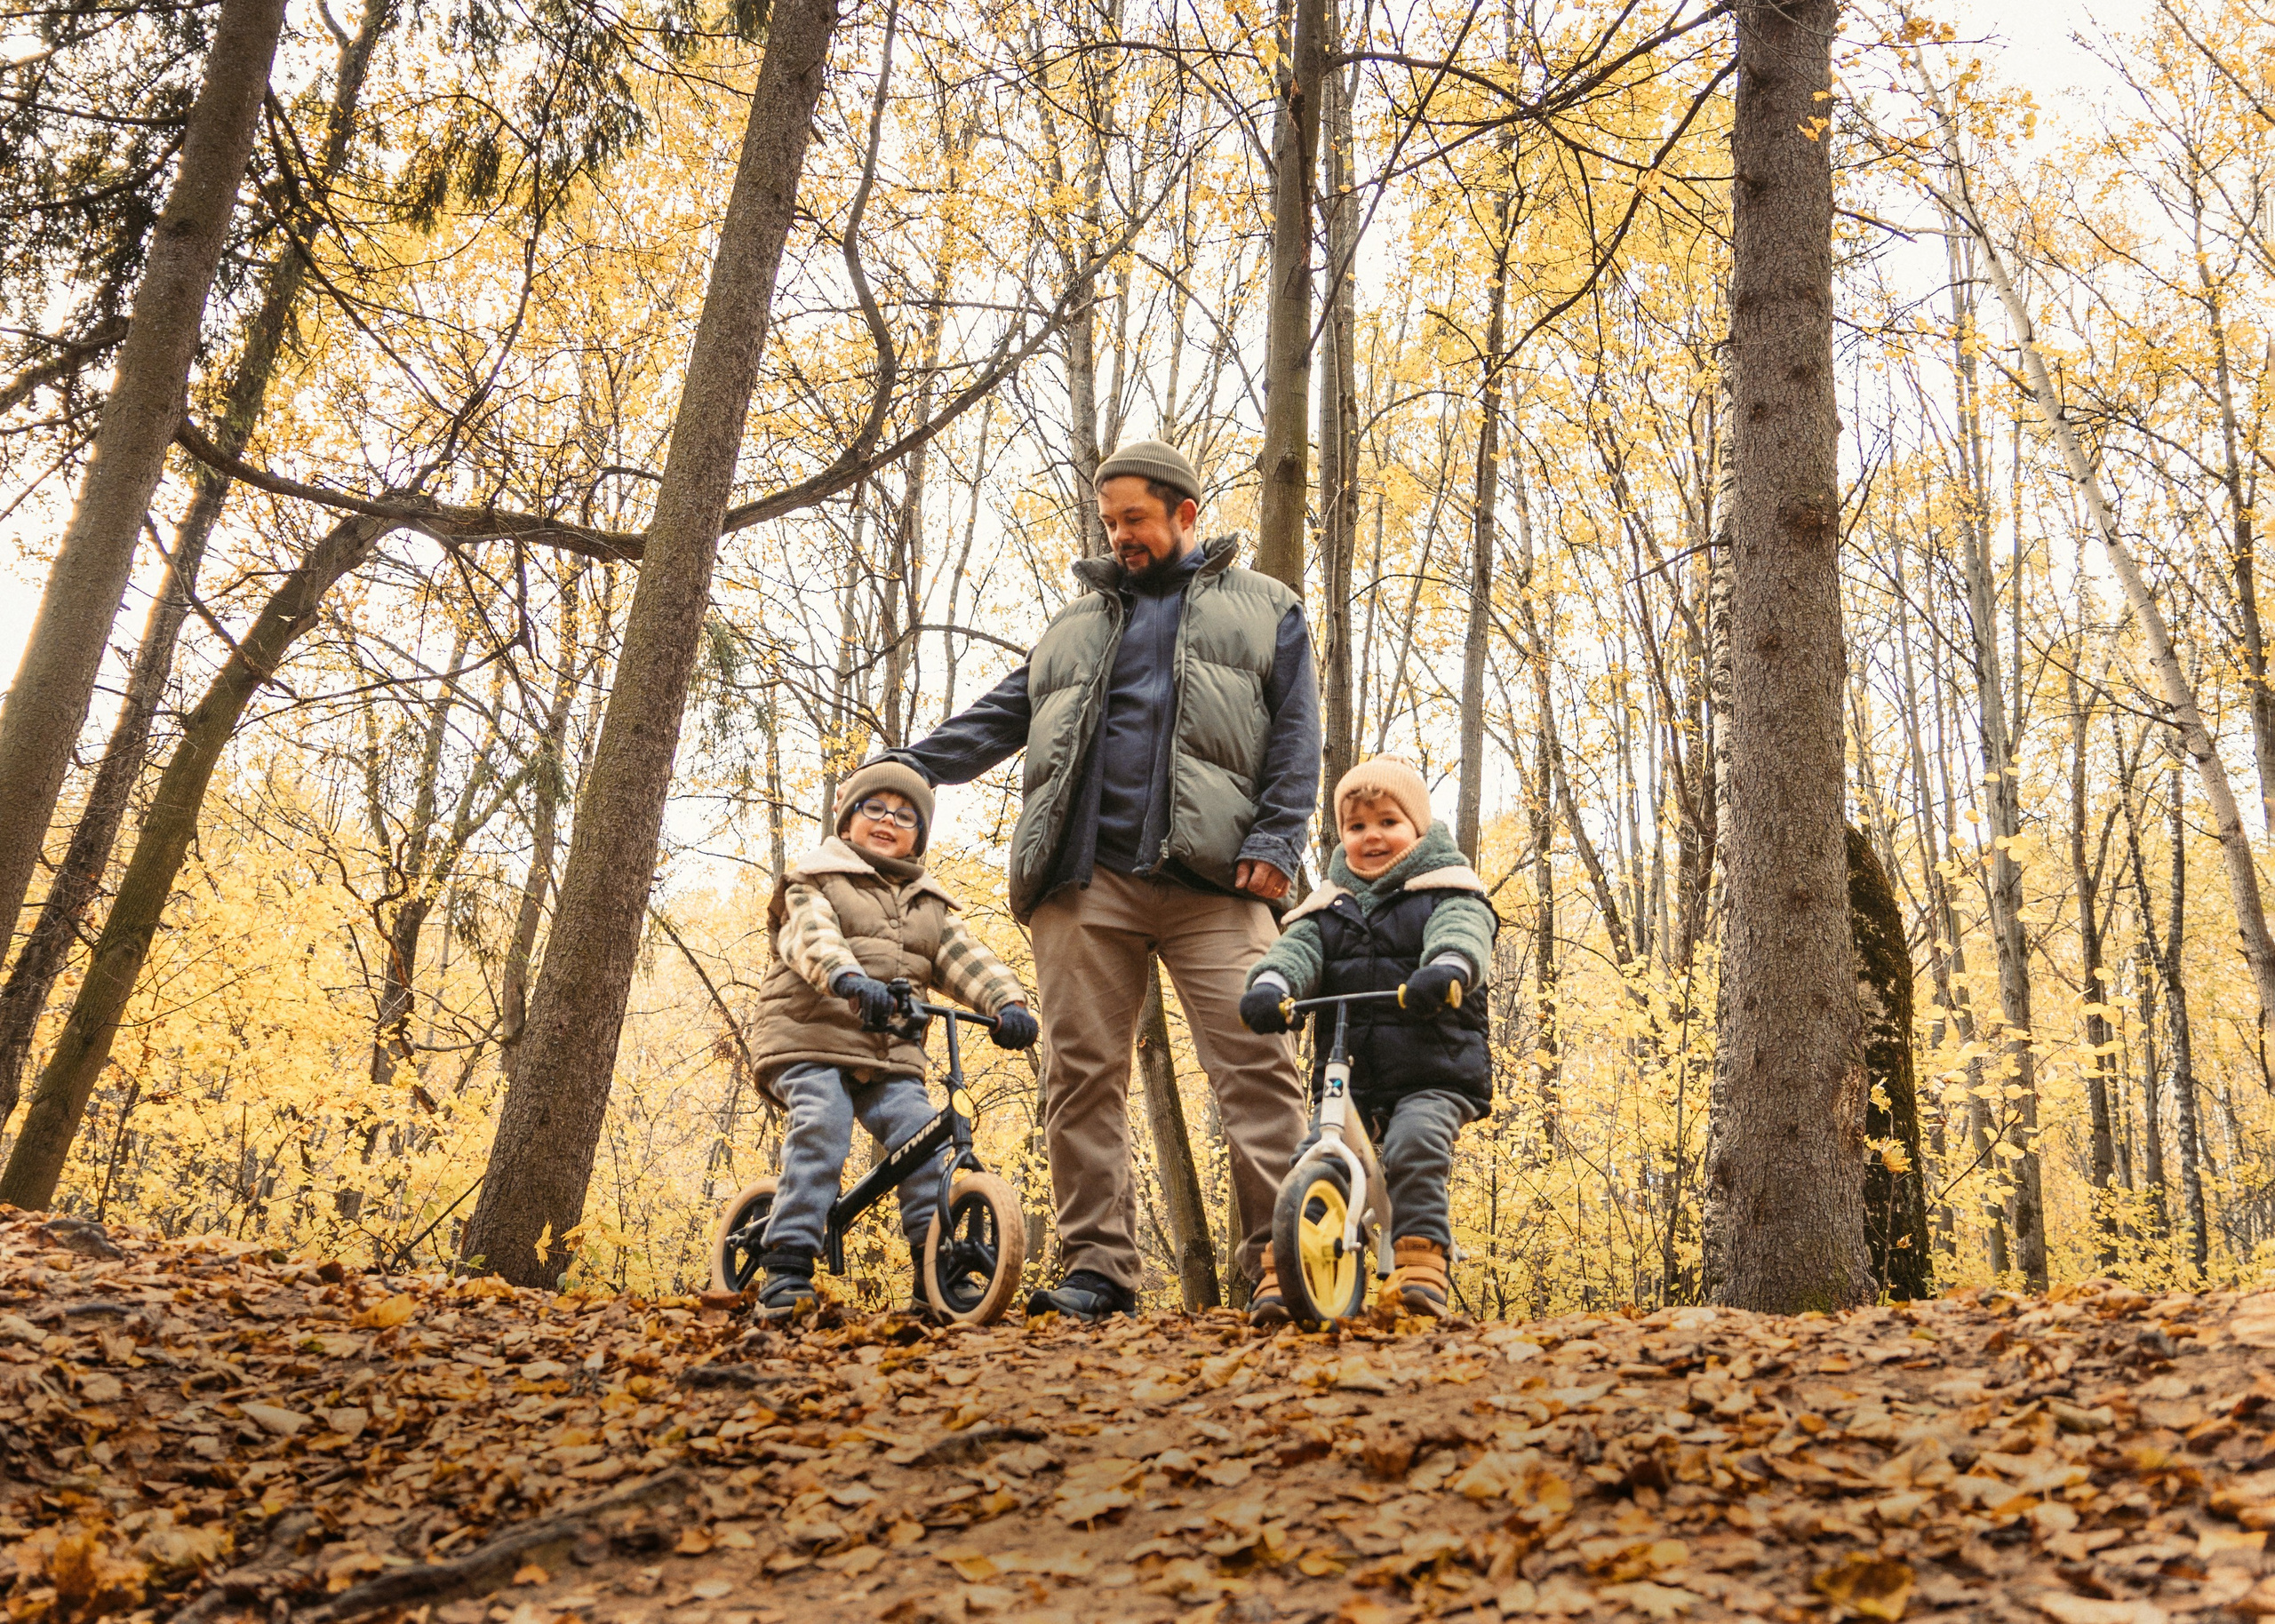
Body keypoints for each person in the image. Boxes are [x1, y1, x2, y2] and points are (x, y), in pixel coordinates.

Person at [887, 438, 1320, 1324]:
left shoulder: (1266, 608)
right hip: (1086, 882)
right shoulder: (1075, 625)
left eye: (1135, 519)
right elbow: (1004, 713)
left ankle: (1281, 1264)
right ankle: (1097, 1271)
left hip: (1220, 883)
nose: (1119, 535)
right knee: (1081, 1077)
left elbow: (1295, 736)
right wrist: (912, 763)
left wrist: (1277, 837)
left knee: (1257, 1069)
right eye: (1109, 520)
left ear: (1185, 514)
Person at [746, 760, 1040, 1319]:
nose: (888, 821)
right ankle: (787, 1263)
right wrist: (848, 979)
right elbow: (811, 936)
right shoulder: (813, 879)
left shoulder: (930, 904)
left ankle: (936, 1275)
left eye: (906, 816)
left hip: (889, 1052)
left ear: (919, 838)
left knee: (926, 1141)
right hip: (810, 1037)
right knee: (823, 1121)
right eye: (874, 808)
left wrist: (1008, 1003)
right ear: (848, 819)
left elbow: (967, 960)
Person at [1239, 757, 1498, 1318]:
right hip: (1350, 1073)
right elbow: (1297, 951)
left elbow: (1462, 933)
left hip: (1434, 1067)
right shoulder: (1327, 908)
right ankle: (1289, 1273)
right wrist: (1271, 985)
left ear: (1419, 829)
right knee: (1315, 1161)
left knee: (1414, 1145)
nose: (1372, 836)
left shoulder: (1447, 890)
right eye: (1357, 827)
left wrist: (1447, 968)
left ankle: (1422, 1262)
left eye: (1388, 822)